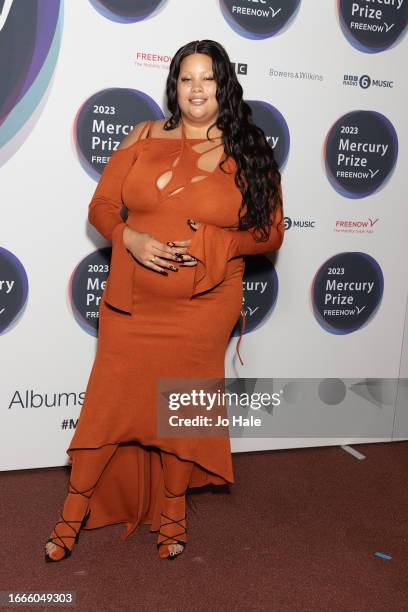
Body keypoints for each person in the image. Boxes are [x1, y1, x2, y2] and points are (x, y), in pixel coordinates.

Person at [44, 39, 284, 562]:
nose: (197, 89)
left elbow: (269, 234)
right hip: (132, 305)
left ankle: (172, 515)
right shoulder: (143, 135)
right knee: (108, 407)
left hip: (205, 306)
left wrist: (213, 242)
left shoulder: (250, 150)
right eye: (186, 78)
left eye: (208, 78)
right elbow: (103, 205)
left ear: (225, 85)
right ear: (173, 86)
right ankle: (71, 515)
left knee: (181, 408)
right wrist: (129, 238)